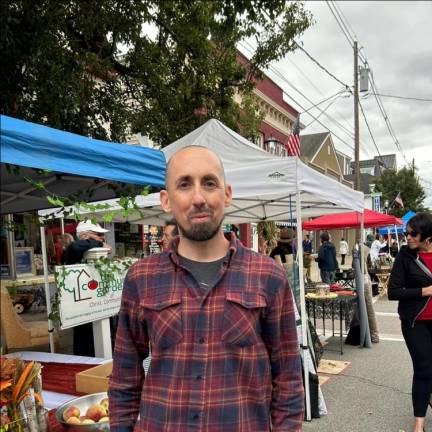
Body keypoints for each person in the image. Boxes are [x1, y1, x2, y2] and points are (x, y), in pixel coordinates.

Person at [109, 146, 304, 431]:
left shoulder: (267, 276)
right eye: (184, 184)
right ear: (166, 200)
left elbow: (288, 378)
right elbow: (125, 379)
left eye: (209, 183)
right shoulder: (142, 278)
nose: (198, 198)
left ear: (226, 194)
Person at [388, 212, 432, 432]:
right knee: (424, 368)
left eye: (414, 233)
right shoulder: (404, 257)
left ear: (428, 237)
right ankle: (419, 422)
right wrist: (425, 291)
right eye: (407, 232)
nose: (408, 237)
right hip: (416, 321)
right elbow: (393, 292)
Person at [62, 220, 111, 357]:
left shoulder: (91, 254)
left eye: (102, 236)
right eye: (98, 235)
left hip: (96, 303)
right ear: (84, 236)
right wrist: (100, 244)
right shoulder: (73, 252)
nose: (102, 238)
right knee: (85, 344)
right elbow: (74, 248)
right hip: (81, 307)